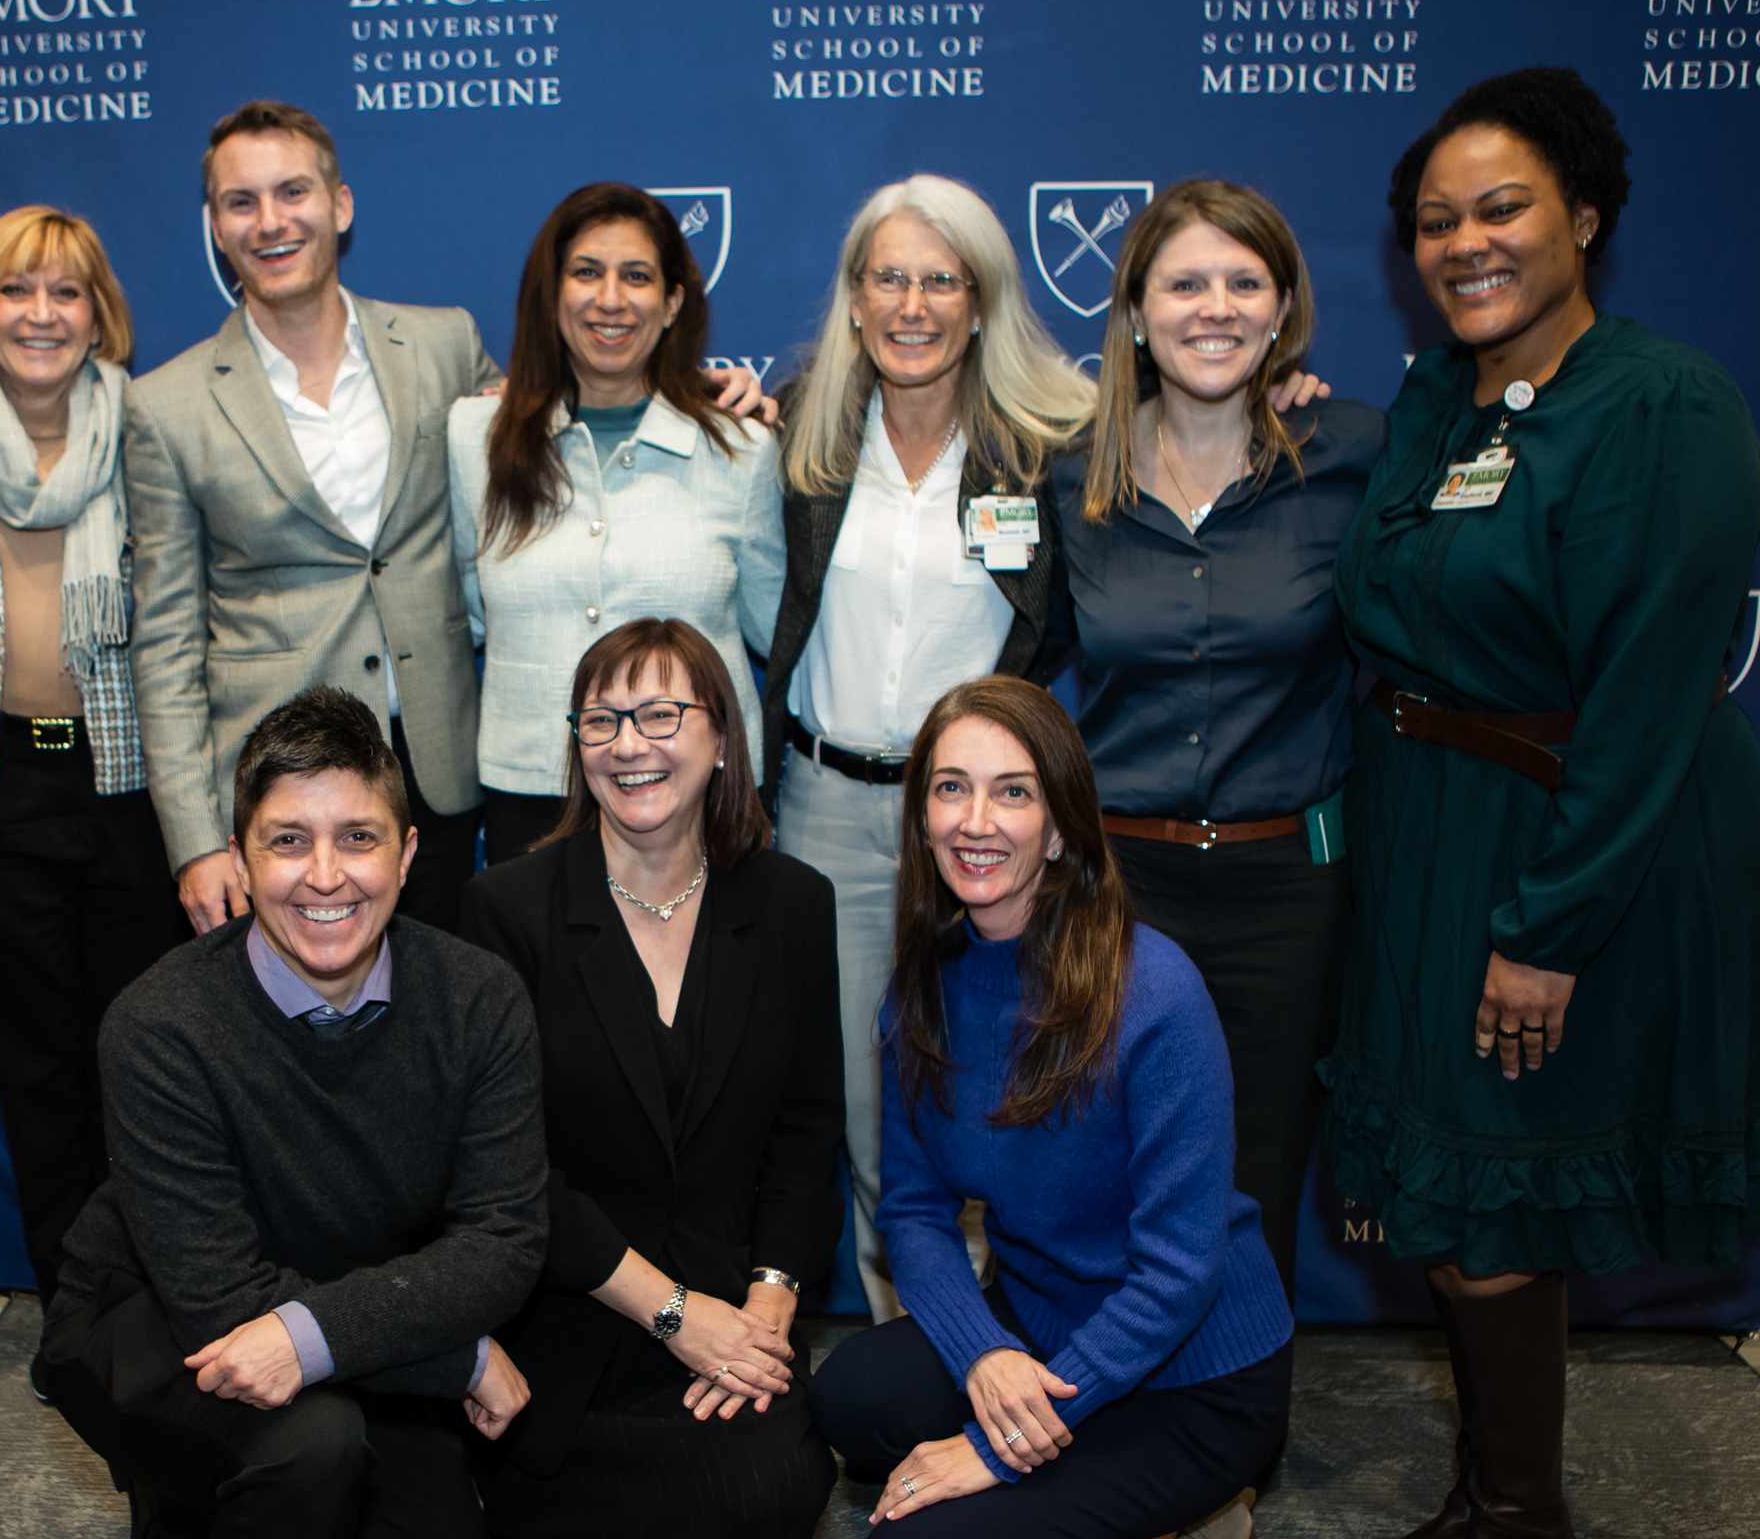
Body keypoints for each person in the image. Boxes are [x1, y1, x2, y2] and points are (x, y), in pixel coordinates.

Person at [1329, 68, 1760, 1539]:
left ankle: (1530, 1537)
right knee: (1455, 1186)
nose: (1467, 241)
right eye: (1437, 219)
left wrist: (1550, 929)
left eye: (1502, 206)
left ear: (1585, 216)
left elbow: (1653, 699)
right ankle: (1479, 1498)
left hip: (1580, 848)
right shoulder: (1441, 404)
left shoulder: (1662, 409)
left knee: (1497, 1192)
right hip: (1440, 831)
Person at [41, 685, 547, 1539]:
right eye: (287, 839)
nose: (327, 876)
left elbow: (504, 1243)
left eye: (358, 836)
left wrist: (343, 1327)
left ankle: (209, 1520)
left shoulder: (478, 1001)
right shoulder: (160, 1023)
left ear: (411, 851)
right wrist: (458, 1355)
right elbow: (218, 1297)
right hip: (150, 1315)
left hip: (331, 1317)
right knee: (305, 1443)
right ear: (240, 853)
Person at [129, 102, 769, 938]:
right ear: (215, 225)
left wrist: (714, 395)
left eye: (293, 191)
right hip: (279, 785)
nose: (272, 221)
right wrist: (192, 842)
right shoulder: (166, 405)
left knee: (435, 1020)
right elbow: (167, 639)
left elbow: (566, 409)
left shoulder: (440, 349)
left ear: (342, 205)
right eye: (241, 202)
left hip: (436, 777)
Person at [809, 677, 1294, 1539]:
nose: (976, 821)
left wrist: (992, 1449)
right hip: (1040, 1327)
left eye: (1013, 792)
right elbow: (914, 1207)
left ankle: (1190, 1534)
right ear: (922, 819)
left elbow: (1178, 1271)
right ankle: (1063, 1496)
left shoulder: (1153, 988)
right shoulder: (925, 987)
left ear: (1063, 826)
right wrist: (985, 1354)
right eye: (950, 789)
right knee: (850, 1394)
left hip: (1195, 1375)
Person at [745, 174, 1097, 1319]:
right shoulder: (798, 433)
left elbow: (1194, 439)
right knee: (867, 1110)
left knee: (993, 1092)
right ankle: (920, 1361)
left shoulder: (1048, 449)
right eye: (887, 276)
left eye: (940, 278)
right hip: (833, 812)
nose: (912, 302)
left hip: (985, 821)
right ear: (853, 299)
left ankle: (1008, 1361)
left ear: (982, 300)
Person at [458, 619, 841, 1539]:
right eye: (603, 718)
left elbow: (808, 1136)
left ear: (722, 736)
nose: (632, 742)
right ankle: (485, 1520)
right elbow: (509, 1175)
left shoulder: (793, 903)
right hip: (574, 1306)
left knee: (781, 1479)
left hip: (727, 1294)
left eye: (663, 713)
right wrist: (673, 1315)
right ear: (577, 745)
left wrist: (764, 1304)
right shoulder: (508, 909)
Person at [1052, 180, 1385, 1300]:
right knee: (1112, 1164)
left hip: (1287, 885)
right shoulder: (1071, 474)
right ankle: (1110, 1422)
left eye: (1245, 282)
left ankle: (1236, 1440)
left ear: (1282, 306)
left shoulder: (1351, 454)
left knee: (1257, 1169)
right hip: (1120, 882)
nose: (1216, 307)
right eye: (1185, 282)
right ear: (1136, 312)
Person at [0, 206, 187, 1343]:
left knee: (140, 1062)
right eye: (17, 290)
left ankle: (156, 1290)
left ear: (99, 309)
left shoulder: (151, 425)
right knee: (36, 1069)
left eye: (67, 292)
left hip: (129, 787)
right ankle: (80, 1307)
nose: (42, 314)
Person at [449, 185, 784, 861]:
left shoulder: (742, 449)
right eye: (585, 272)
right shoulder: (473, 436)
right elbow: (465, 613)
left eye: (637, 276)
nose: (610, 298)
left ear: (673, 303)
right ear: (551, 293)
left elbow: (778, 629)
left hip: (695, 792)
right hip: (534, 790)